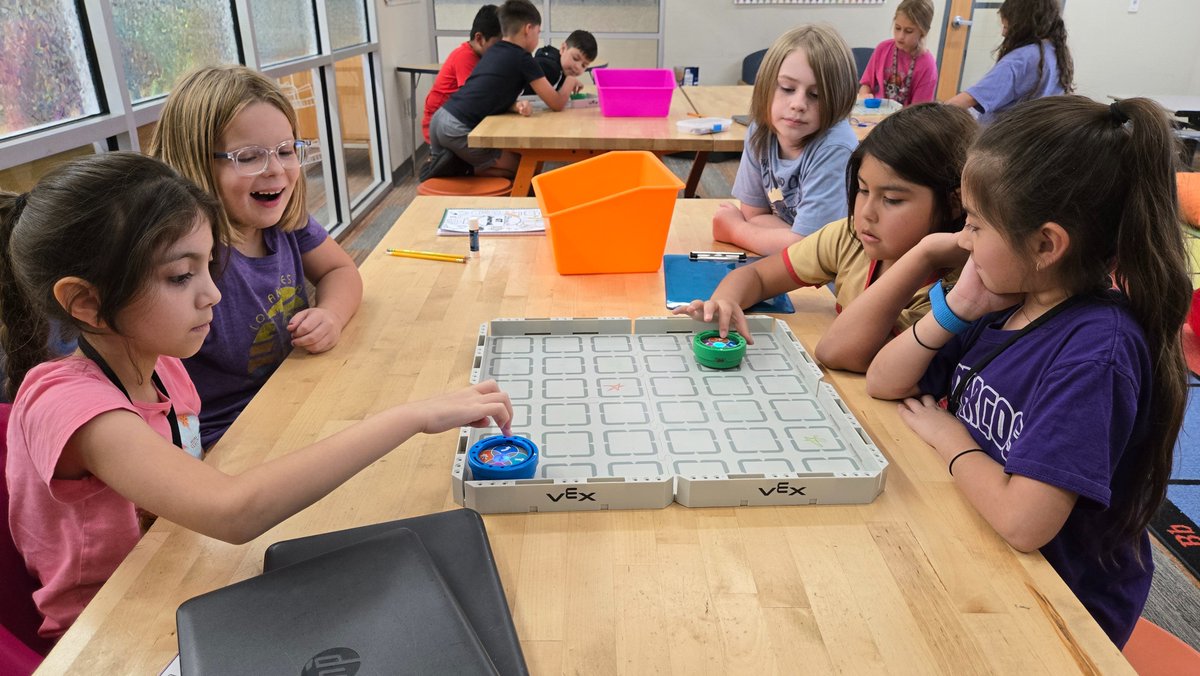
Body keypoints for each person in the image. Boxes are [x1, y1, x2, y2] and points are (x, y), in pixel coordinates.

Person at [0, 153, 512, 640]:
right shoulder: (69, 404)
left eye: (207, 266)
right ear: (86, 302)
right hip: (113, 631)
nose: (212, 294)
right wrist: (413, 415)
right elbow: (232, 512)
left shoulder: (161, 364)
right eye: (181, 276)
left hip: (182, 575)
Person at [865, 96, 1190, 647]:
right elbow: (884, 382)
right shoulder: (1005, 297)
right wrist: (953, 310)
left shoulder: (1096, 354)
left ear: (1044, 244)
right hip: (980, 542)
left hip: (1060, 611)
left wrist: (951, 438)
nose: (961, 241)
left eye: (973, 225)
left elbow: (1023, 523)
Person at [150, 65, 364, 449]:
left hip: (296, 392)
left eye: (285, 151)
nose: (276, 170)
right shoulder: (182, 261)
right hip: (227, 434)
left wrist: (331, 313)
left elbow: (339, 269)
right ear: (194, 162)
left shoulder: (284, 224)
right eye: (248, 157)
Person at [675, 103, 976, 373]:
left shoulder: (956, 293)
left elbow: (839, 353)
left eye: (893, 199)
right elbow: (757, 276)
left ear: (953, 203)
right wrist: (726, 301)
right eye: (862, 189)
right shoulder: (849, 238)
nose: (866, 213)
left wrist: (923, 255)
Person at [715, 24, 859, 256]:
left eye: (816, 95)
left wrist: (736, 230)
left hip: (829, 286)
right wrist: (791, 238)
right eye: (787, 88)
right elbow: (755, 213)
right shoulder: (760, 132)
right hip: (785, 267)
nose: (798, 104)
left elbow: (811, 251)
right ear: (766, 86)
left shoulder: (835, 148)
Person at [426, 0, 579, 180]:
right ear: (527, 29)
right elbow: (557, 103)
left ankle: (454, 165)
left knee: (516, 163)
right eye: (538, 33)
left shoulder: (492, 51)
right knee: (525, 168)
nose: (538, 39)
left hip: (440, 119)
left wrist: (514, 106)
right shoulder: (524, 59)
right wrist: (571, 79)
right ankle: (458, 169)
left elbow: (490, 93)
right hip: (457, 128)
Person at [945, 0, 1073, 124]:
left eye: (1006, 27)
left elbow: (968, 99)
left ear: (1022, 24)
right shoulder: (1056, 52)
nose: (1003, 33)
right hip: (1031, 136)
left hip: (998, 138)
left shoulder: (1020, 60)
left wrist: (933, 116)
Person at [421, 4, 502, 145]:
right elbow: (476, 98)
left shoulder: (481, 56)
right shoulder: (465, 57)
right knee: (505, 156)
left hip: (456, 121)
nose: (500, 50)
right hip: (441, 126)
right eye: (497, 44)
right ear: (479, 38)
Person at [857, 0, 938, 106]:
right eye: (897, 28)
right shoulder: (882, 49)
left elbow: (918, 112)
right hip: (876, 115)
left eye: (908, 31)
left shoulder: (927, 65)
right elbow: (866, 85)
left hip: (906, 120)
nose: (900, 36)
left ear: (923, 32)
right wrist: (864, 96)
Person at [521, 29, 597, 95]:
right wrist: (569, 83)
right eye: (575, 58)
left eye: (584, 65)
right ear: (563, 48)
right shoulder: (551, 69)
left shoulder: (558, 65)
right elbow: (556, 102)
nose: (578, 67)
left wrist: (567, 80)